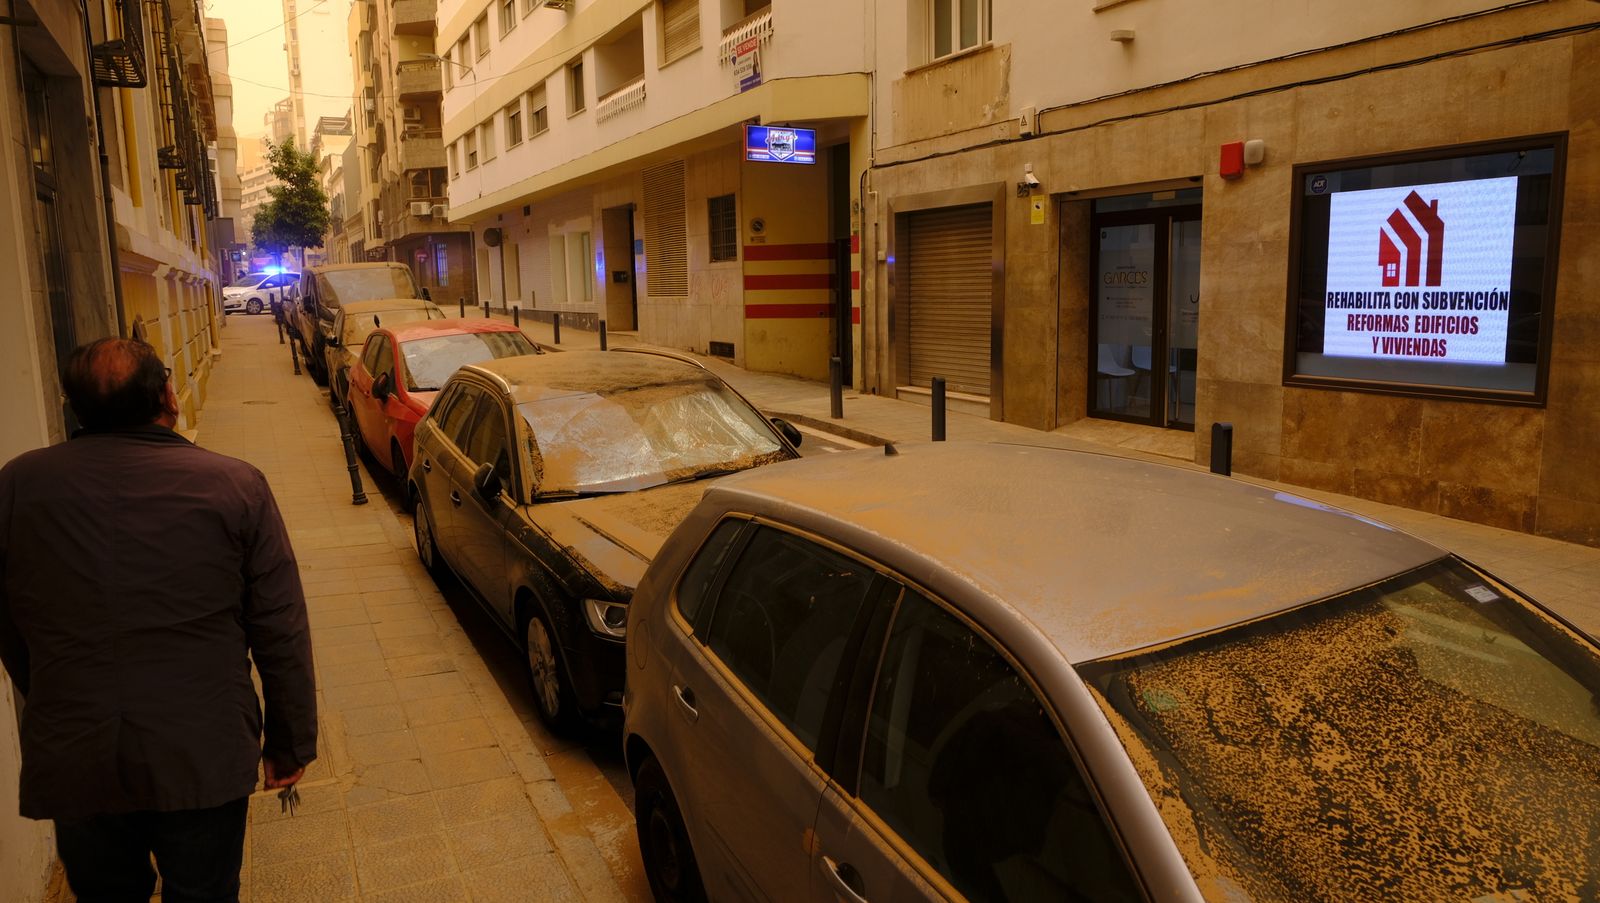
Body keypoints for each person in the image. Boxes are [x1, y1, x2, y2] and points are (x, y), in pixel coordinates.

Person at [0, 337, 317, 903]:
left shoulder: (17, 486)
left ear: (75, 407)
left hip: (78, 754)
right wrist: (288, 743)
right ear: (168, 396)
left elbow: (10, 623)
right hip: (201, 752)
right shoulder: (234, 485)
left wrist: (54, 694)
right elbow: (280, 627)